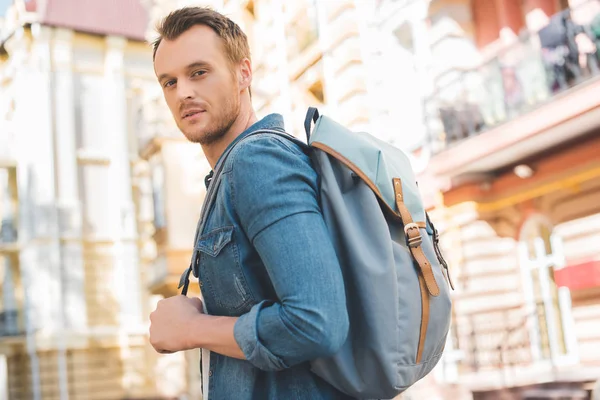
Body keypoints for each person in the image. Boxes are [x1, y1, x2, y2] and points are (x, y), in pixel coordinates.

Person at [147, 6, 351, 400]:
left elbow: (317, 322)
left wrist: (191, 329)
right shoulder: (231, 174)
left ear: (244, 73)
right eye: (169, 82)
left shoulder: (257, 162)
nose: (183, 92)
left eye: (199, 72)